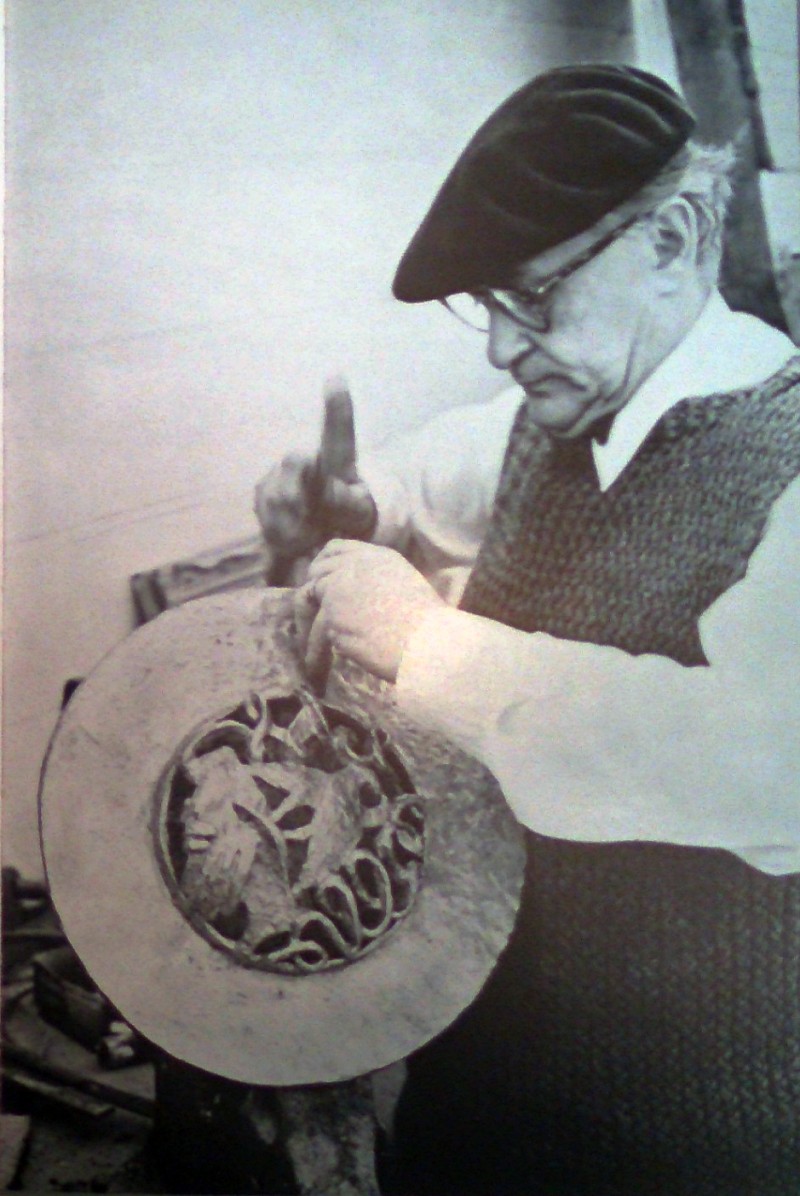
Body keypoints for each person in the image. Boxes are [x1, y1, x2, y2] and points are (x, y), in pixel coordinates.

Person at [254, 65, 800, 1195]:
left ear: (677, 235)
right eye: (486, 307)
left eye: (534, 297)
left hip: (696, 1129)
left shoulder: (784, 451)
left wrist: (422, 644)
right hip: (485, 1078)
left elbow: (764, 758)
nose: (502, 349)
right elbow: (426, 473)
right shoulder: (550, 413)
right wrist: (367, 505)